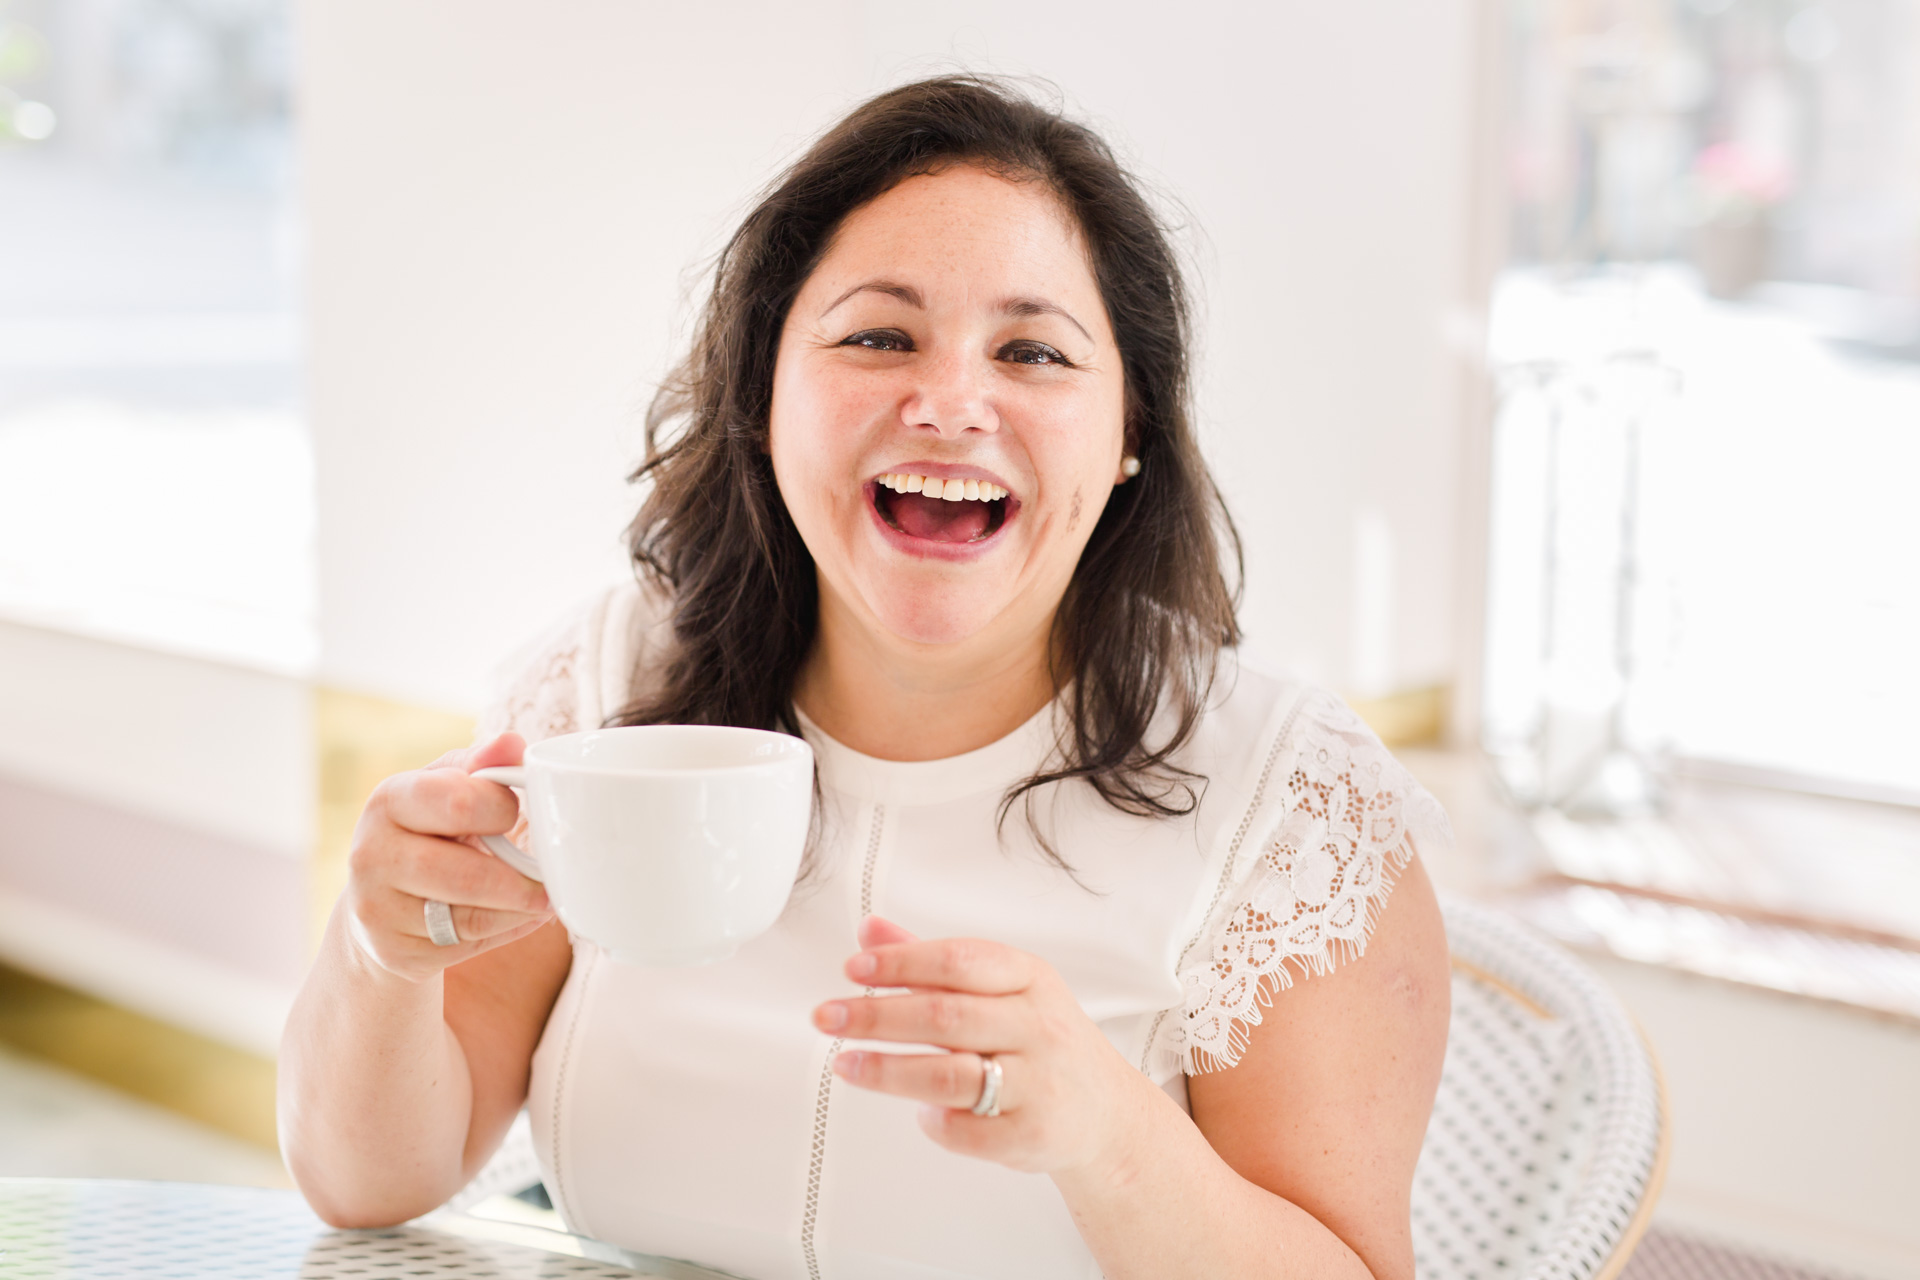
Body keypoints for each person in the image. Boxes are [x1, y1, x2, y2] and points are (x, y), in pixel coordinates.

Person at [278, 76, 1453, 1280]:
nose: (949, 402)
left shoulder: (1288, 802)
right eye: (878, 335)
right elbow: (369, 1182)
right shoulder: (608, 684)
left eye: (1034, 351)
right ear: (765, 393)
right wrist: (376, 957)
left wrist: (1108, 1130)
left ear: (1129, 432)